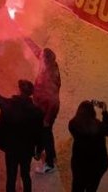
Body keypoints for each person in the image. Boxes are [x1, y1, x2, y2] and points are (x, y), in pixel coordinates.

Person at [24, 37, 61, 174]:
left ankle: (50, 163)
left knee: (46, 133)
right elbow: (36, 50)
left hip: (48, 109)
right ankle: (39, 152)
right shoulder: (46, 62)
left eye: (42, 58)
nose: (40, 58)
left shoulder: (51, 74)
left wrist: (47, 119)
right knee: (40, 131)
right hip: (41, 106)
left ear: (46, 61)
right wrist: (23, 35)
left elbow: (53, 100)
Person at [68, 99, 108, 192]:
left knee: (77, 187)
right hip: (97, 165)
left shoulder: (73, 124)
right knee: (92, 187)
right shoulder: (99, 126)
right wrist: (104, 111)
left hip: (80, 164)